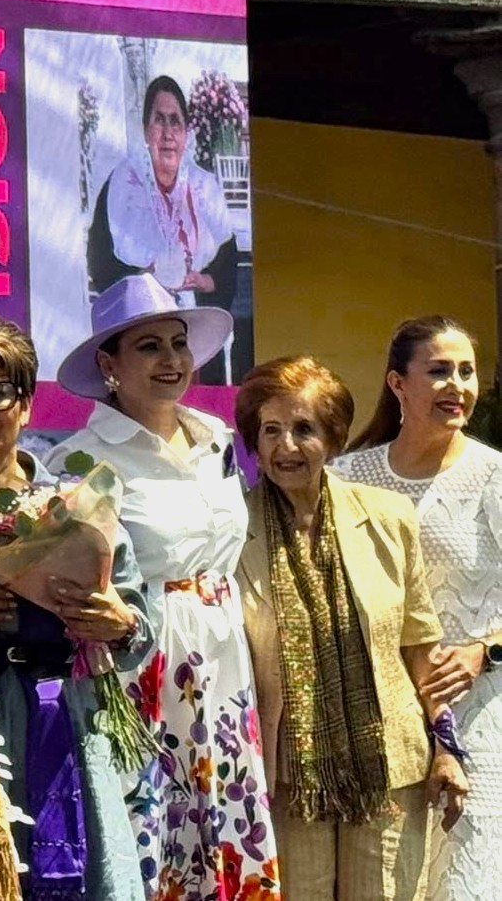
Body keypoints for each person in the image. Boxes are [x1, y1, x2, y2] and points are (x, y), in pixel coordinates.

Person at [45, 274, 278, 901]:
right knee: (152, 827)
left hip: (223, 654)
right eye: (148, 346)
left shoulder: (217, 439)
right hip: (141, 659)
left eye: (178, 343)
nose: (171, 359)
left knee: (226, 817)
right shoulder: (80, 459)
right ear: (109, 364)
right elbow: (70, 583)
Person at [0, 314, 154, 901]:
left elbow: (139, 626)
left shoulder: (76, 502)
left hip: (67, 718)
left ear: (25, 405)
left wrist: (118, 623)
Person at [234, 355, 467, 900]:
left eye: (304, 429)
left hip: (389, 771)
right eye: (271, 430)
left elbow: (419, 644)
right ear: (254, 441)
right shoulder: (229, 529)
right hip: (284, 778)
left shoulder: (388, 515)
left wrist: (447, 746)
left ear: (334, 439)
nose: (286, 446)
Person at [331, 315, 502, 901]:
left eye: (467, 372)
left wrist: (485, 649)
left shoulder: (494, 477)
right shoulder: (348, 478)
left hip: (480, 715)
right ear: (397, 383)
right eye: (439, 371)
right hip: (379, 716)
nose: (458, 385)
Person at [88, 76, 238, 380]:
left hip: (195, 332)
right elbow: (101, 267)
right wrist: (144, 280)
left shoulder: (205, 187)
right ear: (146, 130)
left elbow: (228, 268)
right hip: (137, 336)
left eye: (175, 122)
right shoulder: (121, 184)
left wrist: (203, 281)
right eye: (159, 120)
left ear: (186, 132)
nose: (168, 133)